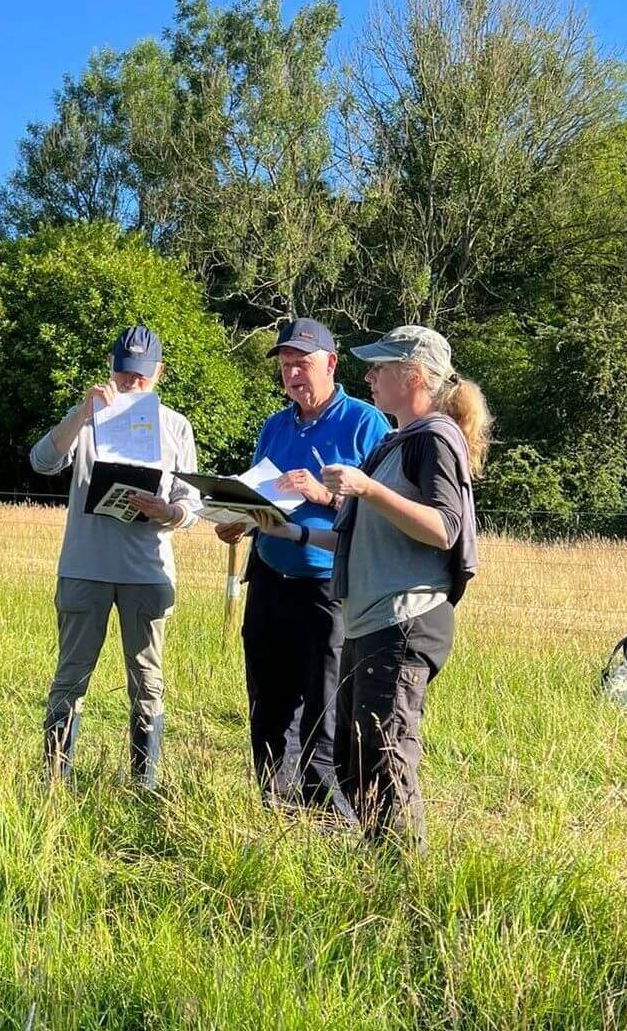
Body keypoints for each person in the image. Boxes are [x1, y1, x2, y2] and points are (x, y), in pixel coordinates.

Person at [252, 325, 491, 851]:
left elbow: (445, 528)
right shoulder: (395, 440)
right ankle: (377, 871)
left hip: (404, 620)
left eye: (380, 366)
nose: (371, 376)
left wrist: (367, 488)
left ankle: (405, 888)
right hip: (371, 618)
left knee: (385, 758)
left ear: (413, 376)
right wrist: (288, 530)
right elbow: (355, 539)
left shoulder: (435, 438)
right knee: (355, 760)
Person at [214, 318, 389, 820]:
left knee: (325, 703)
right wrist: (237, 521)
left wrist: (322, 493)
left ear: (331, 364)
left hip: (328, 586)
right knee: (268, 699)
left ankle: (329, 817)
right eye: (287, 365)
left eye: (303, 363)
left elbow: (383, 511)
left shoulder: (365, 423)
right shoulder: (275, 425)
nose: (293, 374)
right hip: (270, 578)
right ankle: (275, 807)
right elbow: (259, 496)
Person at [30, 325, 200, 788]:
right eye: (124, 375)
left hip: (147, 570)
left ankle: (144, 783)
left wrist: (170, 512)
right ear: (111, 369)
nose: (131, 385)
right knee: (70, 676)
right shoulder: (85, 416)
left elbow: (192, 502)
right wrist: (83, 413)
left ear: (158, 374)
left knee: (147, 679)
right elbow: (42, 462)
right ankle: (52, 781)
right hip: (85, 567)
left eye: (141, 377)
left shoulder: (175, 425)